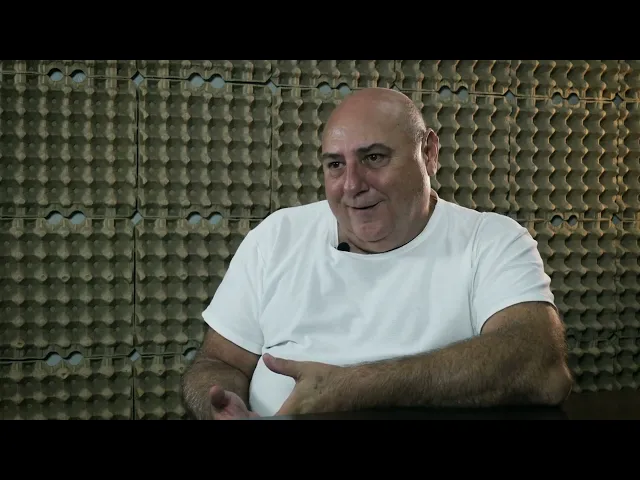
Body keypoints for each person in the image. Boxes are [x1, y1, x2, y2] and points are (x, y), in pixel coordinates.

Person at [180, 87, 574, 420]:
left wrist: (350, 389)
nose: (352, 185)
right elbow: (219, 362)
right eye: (336, 165)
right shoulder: (276, 236)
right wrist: (219, 407)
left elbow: (540, 366)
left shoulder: (490, 240)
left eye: (373, 158)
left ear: (429, 153)